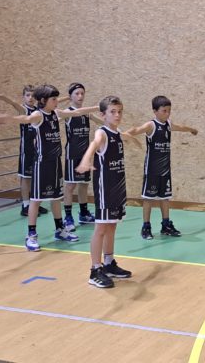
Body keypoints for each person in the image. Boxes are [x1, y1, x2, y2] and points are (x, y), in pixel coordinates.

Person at [0, 84, 99, 251]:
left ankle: (60, 229)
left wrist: (98, 107)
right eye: (54, 99)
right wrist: (9, 119)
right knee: (36, 200)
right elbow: (25, 119)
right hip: (41, 164)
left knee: (56, 198)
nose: (57, 101)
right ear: (44, 100)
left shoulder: (56, 113)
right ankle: (31, 235)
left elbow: (76, 112)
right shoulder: (38, 115)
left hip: (55, 163)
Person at [77, 96, 132, 288]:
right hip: (105, 189)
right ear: (103, 115)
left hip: (118, 187)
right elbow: (94, 144)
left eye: (120, 111)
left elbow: (125, 135)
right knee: (100, 229)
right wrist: (86, 159)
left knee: (112, 226)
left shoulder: (117, 132)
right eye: (113, 112)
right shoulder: (102, 133)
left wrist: (132, 138)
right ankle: (95, 270)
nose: (117, 115)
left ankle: (109, 263)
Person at [124, 95, 198, 240]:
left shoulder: (168, 124)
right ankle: (146, 227)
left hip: (165, 170)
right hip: (152, 170)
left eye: (169, 110)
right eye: (164, 111)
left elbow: (179, 127)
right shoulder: (150, 125)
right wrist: (124, 135)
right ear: (155, 111)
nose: (167, 113)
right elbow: (135, 129)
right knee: (148, 199)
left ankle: (166, 225)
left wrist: (191, 129)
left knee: (165, 198)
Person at [0, 87, 50, 218]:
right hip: (27, 150)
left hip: (38, 149)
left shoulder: (38, 111)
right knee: (26, 178)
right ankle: (25, 205)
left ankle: (34, 203)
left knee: (35, 177)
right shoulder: (24, 110)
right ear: (24, 97)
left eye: (32, 96)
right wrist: (4, 98)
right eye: (27, 95)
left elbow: (51, 101)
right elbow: (14, 104)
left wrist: (67, 98)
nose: (30, 98)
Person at [61, 83, 103, 230]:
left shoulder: (87, 113)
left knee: (84, 184)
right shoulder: (67, 112)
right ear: (70, 96)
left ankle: (84, 213)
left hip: (85, 155)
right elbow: (53, 117)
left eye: (82, 93)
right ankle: (68, 217)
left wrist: (118, 128)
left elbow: (102, 122)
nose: (80, 96)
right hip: (72, 155)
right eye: (77, 93)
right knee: (70, 185)